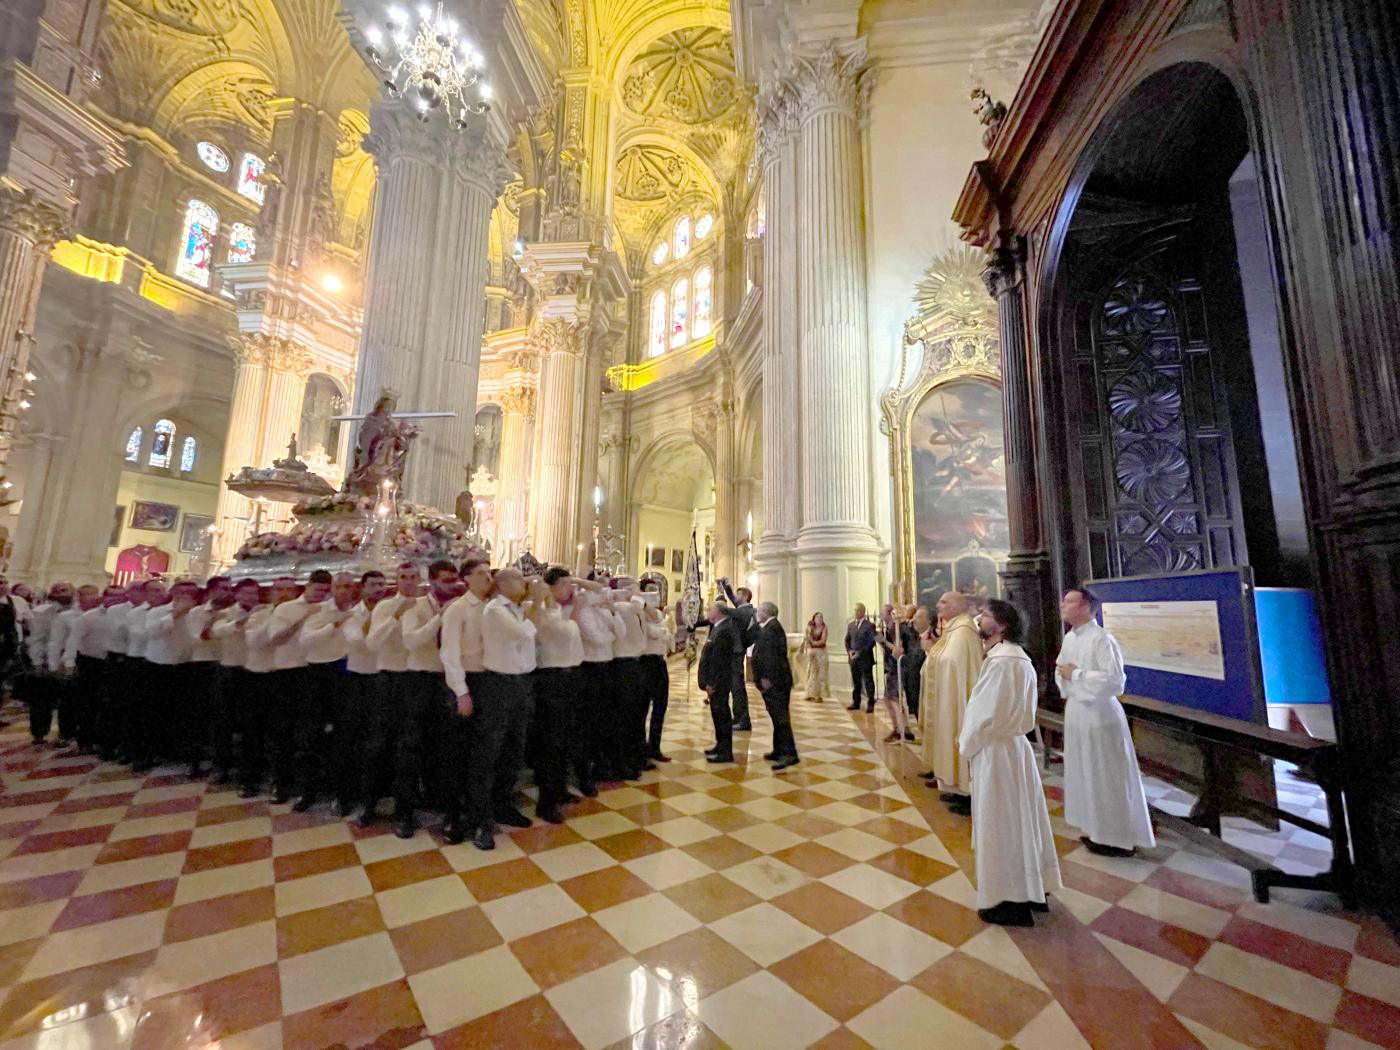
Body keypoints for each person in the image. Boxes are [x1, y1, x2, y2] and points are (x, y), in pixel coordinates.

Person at [958, 598, 1062, 927]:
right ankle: (1030, 889)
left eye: (985, 615)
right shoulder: (1017, 657)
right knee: (1020, 819)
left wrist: (966, 745)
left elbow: (984, 714)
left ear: (1002, 625)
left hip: (996, 750)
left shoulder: (1002, 661)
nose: (979, 618)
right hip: (1013, 748)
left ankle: (1007, 898)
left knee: (1000, 823)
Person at [1056, 585, 1155, 857]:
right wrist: (1068, 677)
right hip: (1078, 711)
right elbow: (1061, 669)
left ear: (1086, 607)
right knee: (1085, 771)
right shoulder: (1070, 638)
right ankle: (1094, 829)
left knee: (1105, 774)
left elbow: (1114, 681)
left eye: (1069, 601)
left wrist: (1077, 675)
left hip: (1100, 714)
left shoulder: (1102, 639)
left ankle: (1117, 838)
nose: (1063, 605)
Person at [464, 568, 537, 850]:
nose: (525, 582)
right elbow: (524, 634)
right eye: (519, 578)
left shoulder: (518, 609)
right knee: (488, 753)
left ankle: (502, 804)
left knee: (514, 749)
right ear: (503, 584)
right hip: (497, 685)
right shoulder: (495, 609)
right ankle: (479, 820)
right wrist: (537, 603)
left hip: (521, 684)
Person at [388, 560, 457, 838]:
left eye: (454, 579)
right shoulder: (415, 607)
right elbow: (412, 641)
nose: (451, 585)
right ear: (433, 580)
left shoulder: (458, 606)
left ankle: (438, 799)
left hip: (446, 680)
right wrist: (439, 618)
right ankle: (403, 812)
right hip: (418, 680)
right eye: (446, 580)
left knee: (444, 746)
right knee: (410, 747)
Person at [295, 571, 358, 813]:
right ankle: (307, 791)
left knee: (345, 736)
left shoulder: (358, 612)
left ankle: (341, 794)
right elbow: (306, 641)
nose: (343, 591)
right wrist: (333, 625)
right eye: (339, 586)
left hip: (345, 674)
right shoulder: (318, 611)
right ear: (332, 588)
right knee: (310, 734)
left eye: (348, 586)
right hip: (317, 674)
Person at [919, 591, 984, 813]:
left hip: (959, 700)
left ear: (956, 606)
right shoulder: (953, 629)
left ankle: (967, 790)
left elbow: (962, 667)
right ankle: (954, 786)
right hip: (948, 698)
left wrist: (931, 651)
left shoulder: (965, 632)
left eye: (944, 602)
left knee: (958, 738)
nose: (938, 605)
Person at [532, 567, 587, 824]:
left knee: (566, 737)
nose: (570, 588)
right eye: (564, 583)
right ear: (550, 586)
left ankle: (559, 790)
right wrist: (574, 612)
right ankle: (546, 802)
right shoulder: (541, 611)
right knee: (551, 742)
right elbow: (560, 633)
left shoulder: (558, 611)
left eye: (570, 583)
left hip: (570, 676)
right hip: (550, 678)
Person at [343, 570, 391, 823]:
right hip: (360, 680)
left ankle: (381, 795)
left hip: (385, 679)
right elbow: (360, 643)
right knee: (358, 740)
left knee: (382, 741)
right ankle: (358, 797)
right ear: (362, 587)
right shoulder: (354, 613)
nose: (378, 588)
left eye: (382, 584)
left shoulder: (391, 609)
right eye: (373, 584)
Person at [209, 579, 264, 785]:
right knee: (223, 722)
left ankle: (248, 772)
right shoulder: (226, 613)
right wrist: (244, 620)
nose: (252, 597)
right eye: (247, 593)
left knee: (251, 723)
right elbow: (216, 632)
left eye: (255, 593)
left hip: (253, 672)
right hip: (229, 670)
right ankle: (221, 766)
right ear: (237, 594)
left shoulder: (264, 612)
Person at [571, 575, 622, 784]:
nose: (605, 593)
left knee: (606, 720)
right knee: (589, 723)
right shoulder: (583, 610)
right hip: (590, 669)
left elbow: (620, 632)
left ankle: (602, 765)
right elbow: (597, 639)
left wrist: (612, 613)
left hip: (607, 667)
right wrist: (610, 634)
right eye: (600, 589)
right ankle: (584, 772)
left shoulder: (603, 609)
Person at [184, 576, 233, 778]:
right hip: (202, 666)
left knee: (223, 717)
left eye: (229, 588)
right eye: (223, 588)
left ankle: (222, 765)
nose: (228, 592)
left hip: (226, 665)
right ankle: (194, 761)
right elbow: (197, 640)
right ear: (211, 591)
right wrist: (214, 621)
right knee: (199, 715)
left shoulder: (234, 611)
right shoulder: (196, 613)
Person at [752, 601, 798, 770]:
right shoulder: (771, 627)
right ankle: (779, 750)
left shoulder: (772, 629)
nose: (757, 613)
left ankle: (789, 754)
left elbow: (771, 657)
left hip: (775, 682)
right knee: (777, 717)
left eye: (759, 610)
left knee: (781, 719)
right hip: (776, 680)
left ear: (766, 612)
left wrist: (766, 678)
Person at [699, 602, 737, 763]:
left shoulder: (724, 630)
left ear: (719, 612)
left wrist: (711, 683)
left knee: (721, 715)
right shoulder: (718, 627)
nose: (708, 611)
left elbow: (718, 661)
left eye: (711, 609)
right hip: (717, 680)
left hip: (719, 682)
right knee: (717, 715)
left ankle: (725, 752)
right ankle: (720, 745)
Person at [638, 583, 671, 763]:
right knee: (642, 708)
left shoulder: (657, 614)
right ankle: (641, 749)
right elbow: (654, 633)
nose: (654, 593)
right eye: (650, 589)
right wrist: (662, 631)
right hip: (646, 662)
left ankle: (655, 747)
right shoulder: (639, 613)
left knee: (660, 706)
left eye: (655, 590)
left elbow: (667, 635)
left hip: (660, 662)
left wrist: (662, 631)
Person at [719, 580, 755, 730]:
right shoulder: (742, 608)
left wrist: (718, 604)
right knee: (735, 687)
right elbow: (733, 599)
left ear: (745, 597)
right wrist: (726, 587)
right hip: (735, 651)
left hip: (737, 652)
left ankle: (743, 720)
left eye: (739, 594)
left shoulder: (746, 611)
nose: (736, 597)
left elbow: (726, 610)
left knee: (738, 687)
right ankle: (738, 717)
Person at [876, 604, 909, 743]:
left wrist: (883, 641)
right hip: (891, 667)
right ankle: (902, 727)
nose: (880, 616)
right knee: (890, 698)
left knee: (893, 698)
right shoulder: (889, 628)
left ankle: (900, 728)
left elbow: (897, 649)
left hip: (897, 667)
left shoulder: (896, 628)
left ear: (889, 613)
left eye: (882, 613)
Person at [895, 605, 929, 731]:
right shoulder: (912, 633)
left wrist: (902, 657)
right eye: (914, 617)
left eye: (918, 617)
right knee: (915, 709)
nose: (914, 620)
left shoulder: (931, 637)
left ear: (928, 620)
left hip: (922, 682)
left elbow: (918, 657)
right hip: (911, 680)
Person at [844, 603, 876, 712]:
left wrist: (860, 653)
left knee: (868, 681)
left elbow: (871, 642)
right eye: (855, 610)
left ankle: (870, 702)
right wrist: (849, 651)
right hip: (853, 658)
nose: (856, 612)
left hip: (865, 658)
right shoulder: (851, 625)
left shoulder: (869, 625)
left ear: (862, 612)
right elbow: (847, 640)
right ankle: (856, 702)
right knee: (856, 681)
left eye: (858, 610)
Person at [802, 612, 829, 701]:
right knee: (811, 672)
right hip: (811, 652)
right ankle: (809, 693)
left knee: (820, 674)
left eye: (821, 617)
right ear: (814, 618)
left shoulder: (824, 628)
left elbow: (823, 640)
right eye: (817, 617)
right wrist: (808, 646)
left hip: (821, 652)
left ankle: (818, 695)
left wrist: (814, 643)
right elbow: (807, 638)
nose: (819, 619)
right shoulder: (810, 627)